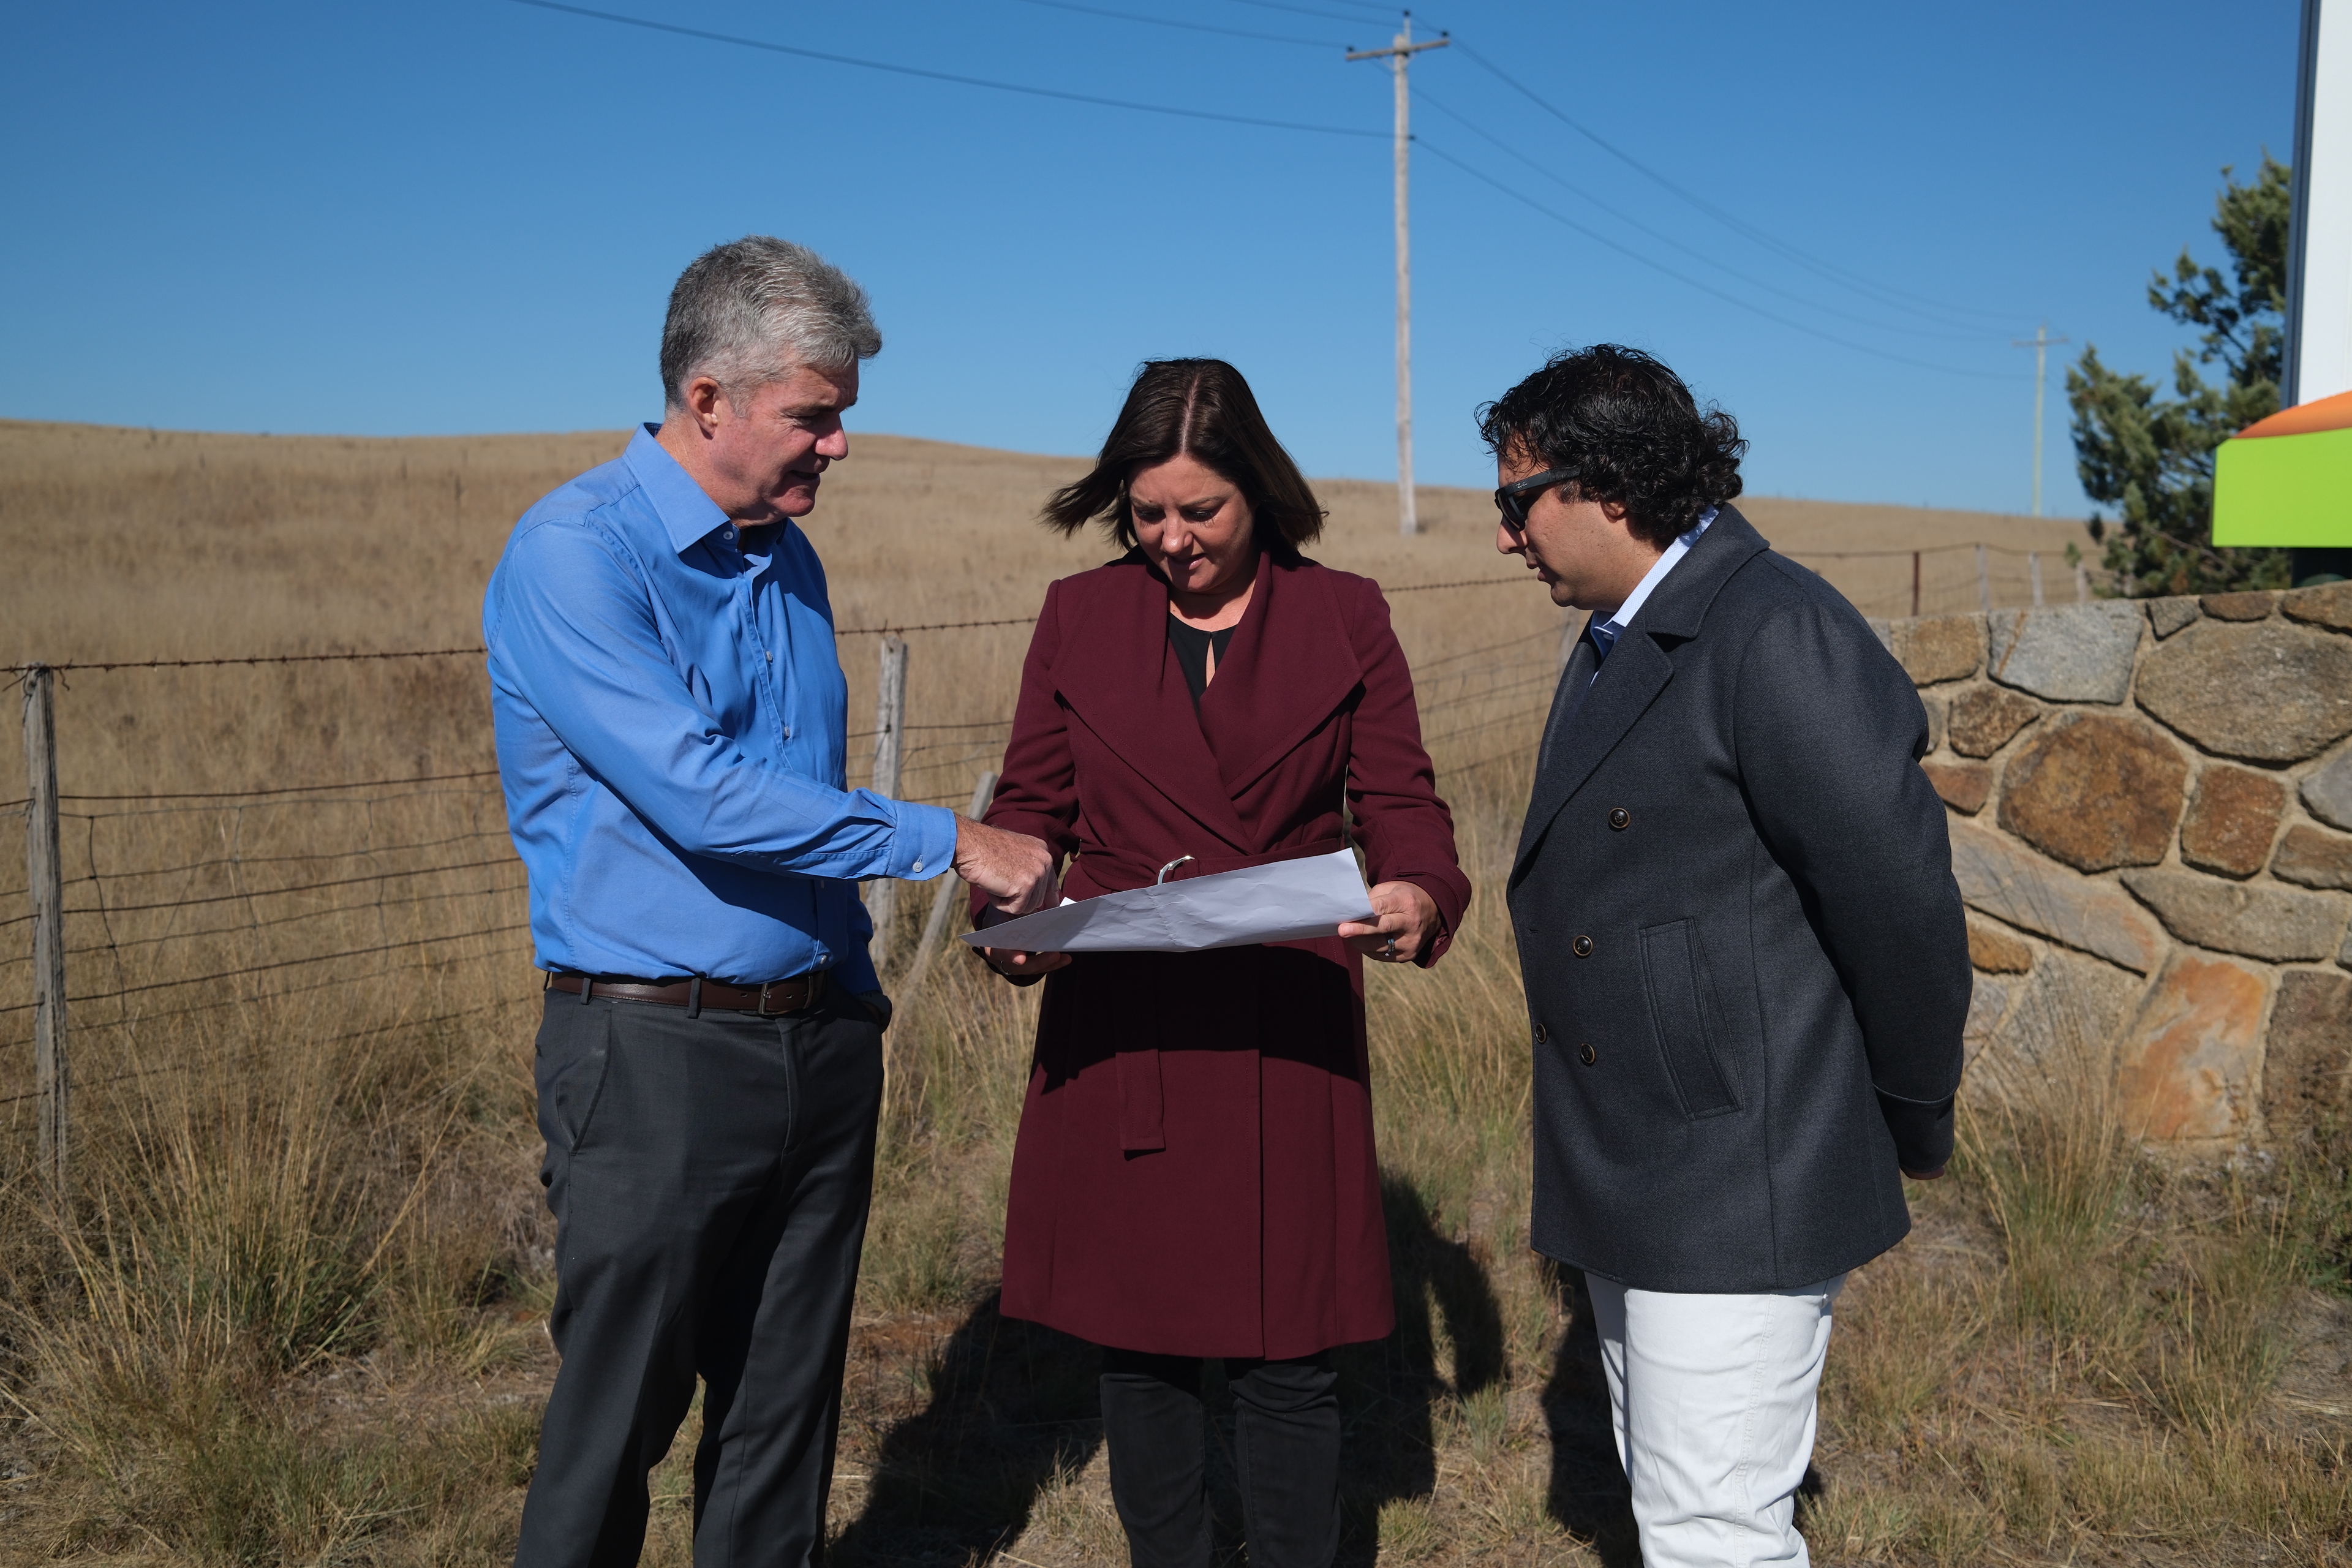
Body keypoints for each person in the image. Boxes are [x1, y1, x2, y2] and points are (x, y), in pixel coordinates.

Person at [484, 236, 1055, 1568]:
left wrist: (849, 997)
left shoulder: (782, 553)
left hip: (817, 1038)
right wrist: (947, 838)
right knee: (614, 1425)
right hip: (655, 1055)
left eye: (839, 414)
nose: (839, 445)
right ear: (708, 401)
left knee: (780, 1426)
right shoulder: (577, 553)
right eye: (817, 412)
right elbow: (702, 793)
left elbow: (793, 790)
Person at [972, 359, 1472, 1568]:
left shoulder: (1346, 613)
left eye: (1202, 511)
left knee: (1287, 1355)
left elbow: (1401, 803)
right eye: (1149, 514)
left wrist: (1418, 889)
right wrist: (1014, 910)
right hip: (1121, 1023)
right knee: (1139, 1353)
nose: (1174, 538)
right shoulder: (1076, 616)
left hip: (1281, 1023)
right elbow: (1031, 814)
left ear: (1259, 489)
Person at [1486, 345, 1969, 1566]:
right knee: (1672, 1502)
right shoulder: (1619, 633)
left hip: (1740, 1161)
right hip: (1629, 1156)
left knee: (1714, 1530)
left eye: (1516, 498)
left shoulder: (1775, 627)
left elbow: (1899, 897)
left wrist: (1908, 1109)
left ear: (1605, 486)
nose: (1505, 535)